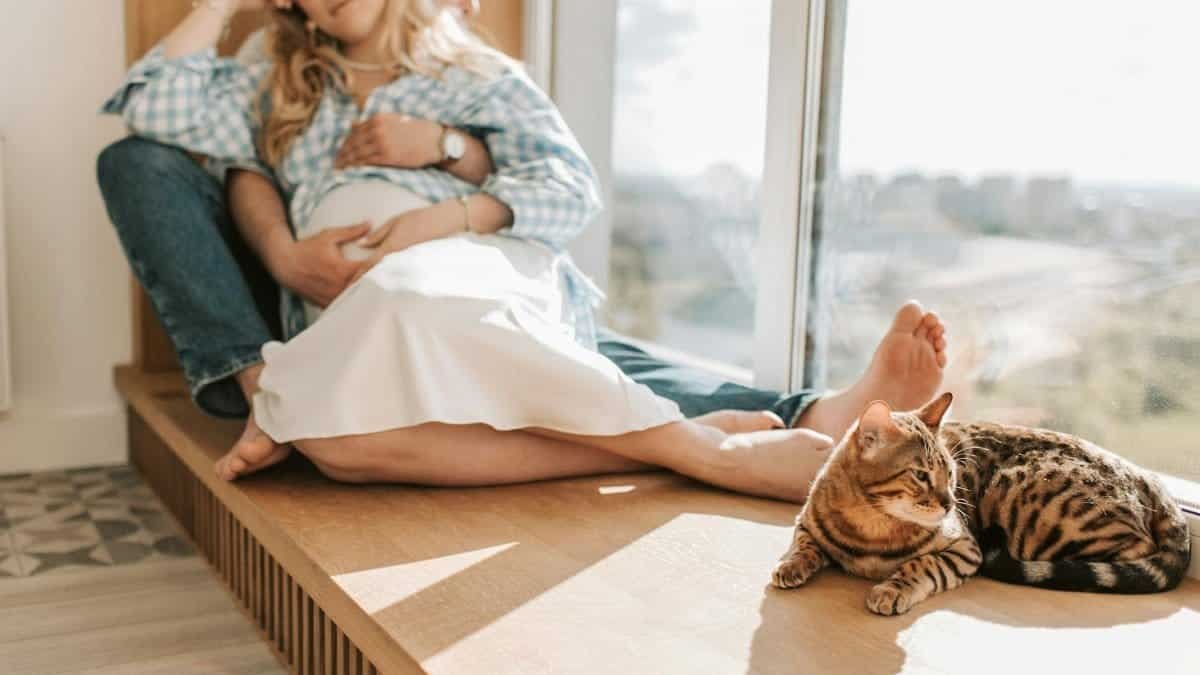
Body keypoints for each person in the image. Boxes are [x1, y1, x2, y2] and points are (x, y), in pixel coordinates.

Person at [98, 0, 948, 502]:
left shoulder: (473, 72)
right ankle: (687, 440)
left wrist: (446, 172)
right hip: (342, 307)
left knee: (426, 306)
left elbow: (569, 189)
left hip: (463, 270)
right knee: (338, 444)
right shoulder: (274, 72)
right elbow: (151, 109)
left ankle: (752, 436)